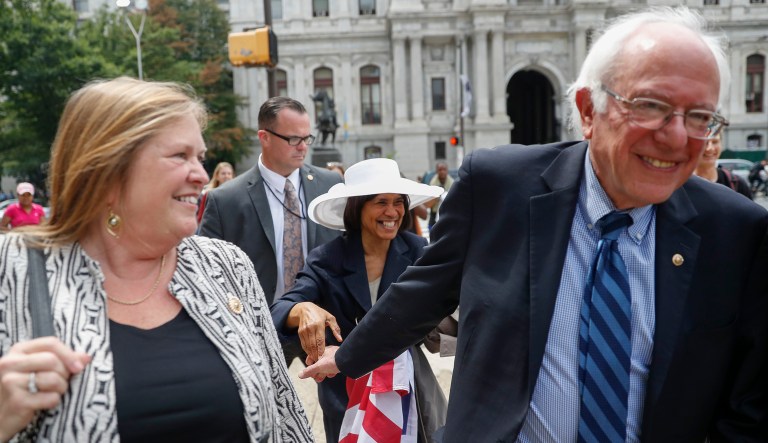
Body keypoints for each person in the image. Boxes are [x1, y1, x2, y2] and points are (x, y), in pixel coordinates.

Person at [300, 7, 768, 441]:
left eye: (700, 116)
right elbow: (424, 291)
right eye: (649, 106)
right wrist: (346, 357)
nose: (676, 135)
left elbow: (751, 399)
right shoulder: (498, 188)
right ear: (588, 111)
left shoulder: (736, 232)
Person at [0, 77, 313, 442]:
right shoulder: (16, 267)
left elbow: (286, 418)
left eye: (199, 156)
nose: (200, 175)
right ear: (109, 167)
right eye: (180, 156)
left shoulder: (227, 267)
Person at [271, 158, 444, 442]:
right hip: (347, 395)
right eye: (380, 202)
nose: (392, 211)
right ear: (358, 207)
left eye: (398, 202)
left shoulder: (417, 251)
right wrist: (303, 309)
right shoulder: (327, 258)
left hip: (407, 391)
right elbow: (282, 308)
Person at [198, 96, 342, 363]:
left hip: (328, 323)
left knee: (343, 406)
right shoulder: (226, 199)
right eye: (293, 139)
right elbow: (205, 271)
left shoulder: (331, 184)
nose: (303, 147)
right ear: (264, 137)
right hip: (261, 328)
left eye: (307, 138)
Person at [693, 132, 753, 199]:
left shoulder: (736, 183)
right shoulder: (681, 184)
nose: (709, 148)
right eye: (703, 142)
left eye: (715, 142)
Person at [423, 161, 453, 230]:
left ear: (447, 170)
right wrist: (437, 196)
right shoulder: (433, 183)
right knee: (432, 231)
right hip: (434, 212)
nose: (442, 172)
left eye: (444, 169)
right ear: (436, 171)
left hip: (447, 213)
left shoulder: (451, 182)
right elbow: (428, 204)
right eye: (440, 170)